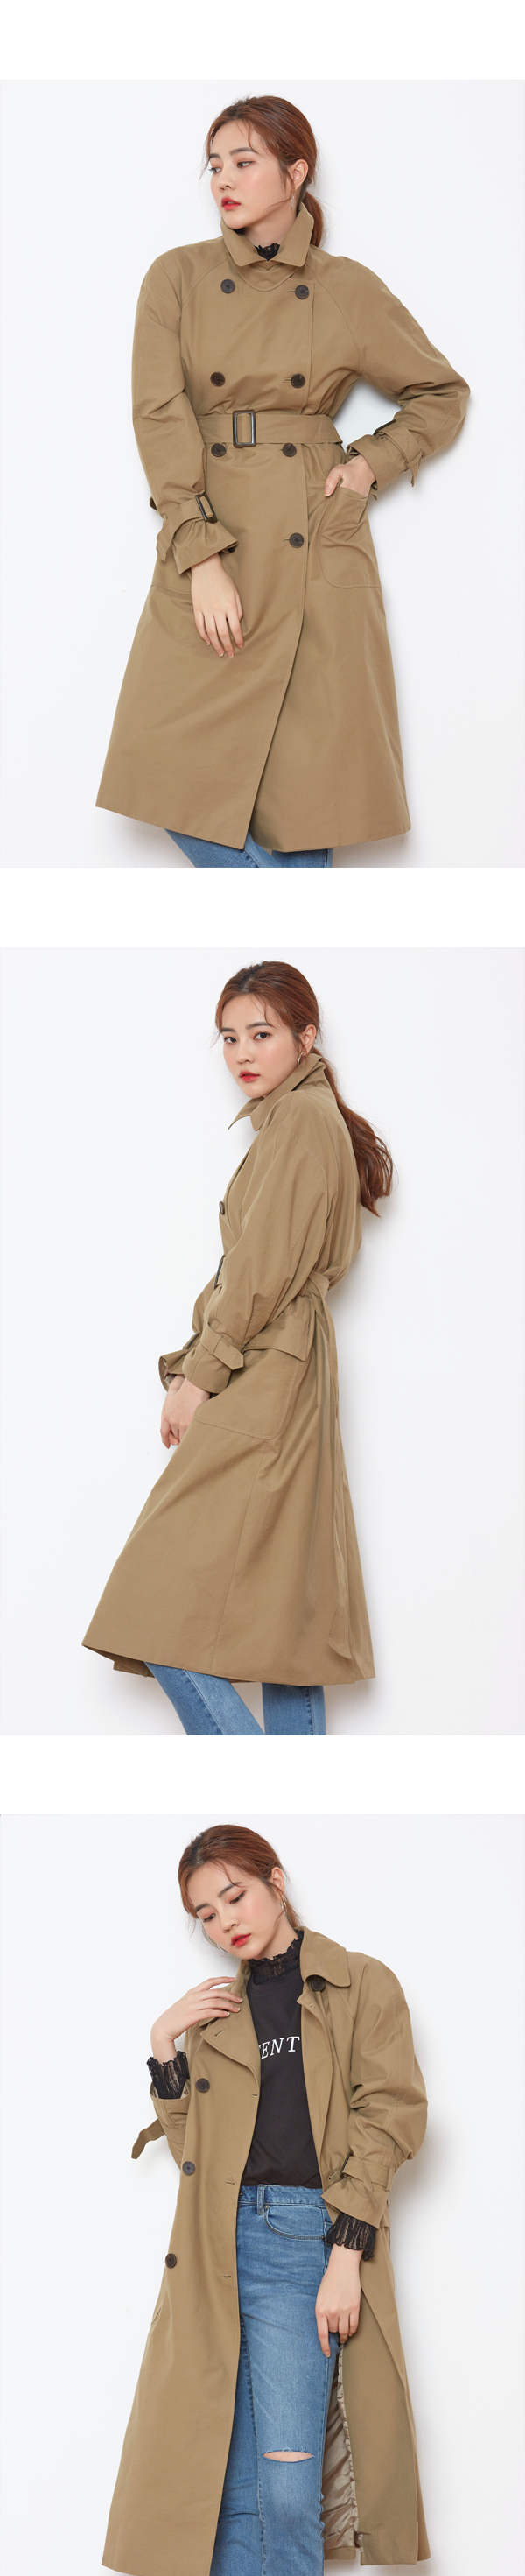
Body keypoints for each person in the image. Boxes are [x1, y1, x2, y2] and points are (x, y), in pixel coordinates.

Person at [96, 92, 468, 865]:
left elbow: (442, 393)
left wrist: (369, 465)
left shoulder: (344, 287)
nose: (223, 181)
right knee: (165, 768)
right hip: (214, 535)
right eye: (214, 165)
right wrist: (200, 555)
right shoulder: (177, 277)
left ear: (295, 174)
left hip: (315, 541)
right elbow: (159, 417)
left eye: (244, 161)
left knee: (307, 800)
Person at [102, 1821, 429, 2576]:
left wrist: (344, 2254)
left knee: (286, 2493)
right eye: (206, 1914)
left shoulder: (359, 1983)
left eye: (234, 1895)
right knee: (234, 2495)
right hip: (217, 2249)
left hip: (304, 2241)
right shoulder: (220, 2015)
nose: (225, 1922)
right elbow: (199, 2154)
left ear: (275, 1881)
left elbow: (388, 2118)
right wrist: (164, 2046)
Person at [83, 961, 392, 1735]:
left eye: (262, 1033)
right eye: (228, 1038)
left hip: (270, 1367)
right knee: (284, 1618)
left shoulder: (303, 1120)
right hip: (289, 1365)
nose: (242, 1053)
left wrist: (198, 1375)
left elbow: (261, 1268)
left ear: (306, 1037)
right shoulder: (299, 1117)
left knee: (157, 1602)